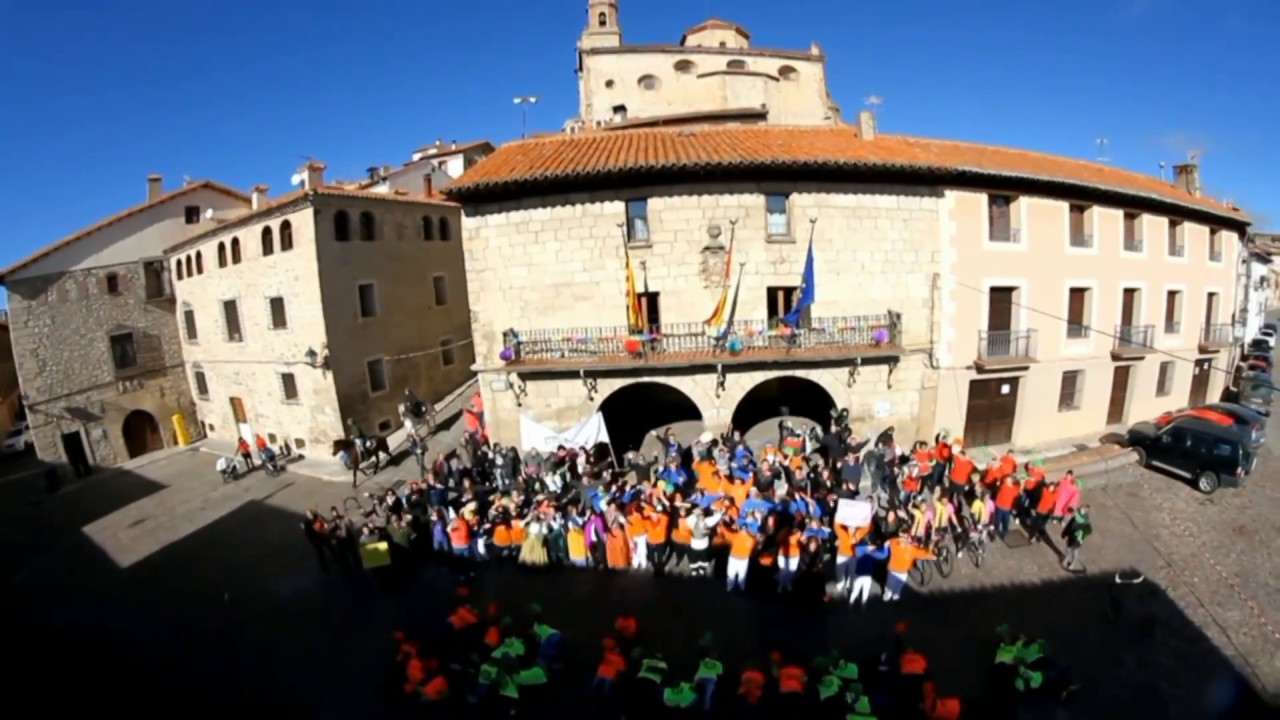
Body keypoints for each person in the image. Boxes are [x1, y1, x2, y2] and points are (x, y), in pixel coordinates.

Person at [1061, 505, 1091, 571]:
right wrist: (1064, 533)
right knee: (1068, 548)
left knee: (1075, 551)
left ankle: (1073, 563)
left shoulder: (1086, 520)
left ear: (1085, 511)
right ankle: (1067, 558)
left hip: (1077, 538)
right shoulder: (1075, 517)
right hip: (1071, 535)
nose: (1079, 510)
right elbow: (1069, 525)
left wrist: (1081, 535)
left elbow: (1088, 530)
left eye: (1081, 509)